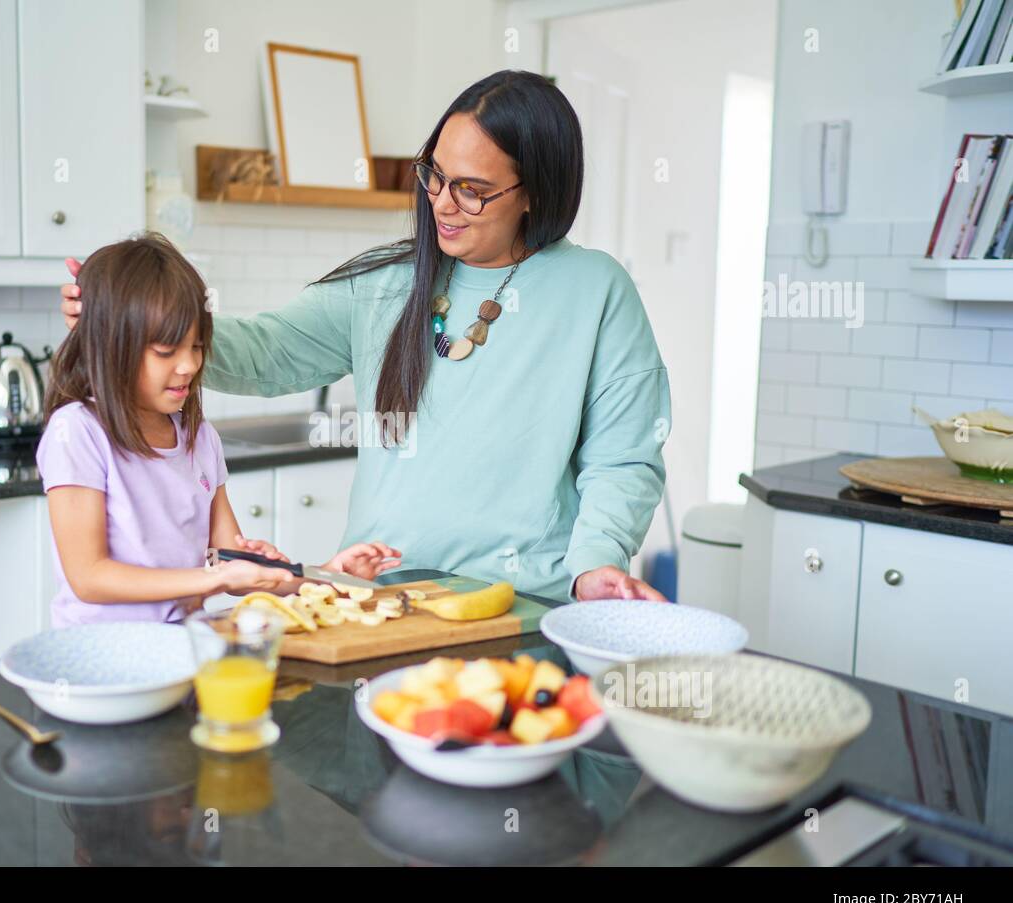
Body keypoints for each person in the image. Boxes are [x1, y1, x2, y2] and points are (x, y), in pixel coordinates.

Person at [61, 70, 670, 604]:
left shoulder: (597, 290)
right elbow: (266, 350)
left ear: (535, 191)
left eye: (473, 190)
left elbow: (623, 458)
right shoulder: (385, 283)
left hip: (524, 604)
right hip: (378, 597)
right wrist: (137, 326)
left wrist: (595, 564)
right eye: (434, 175)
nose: (442, 203)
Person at [36, 235, 401, 628]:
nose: (189, 366)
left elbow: (222, 558)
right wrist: (219, 576)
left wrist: (325, 575)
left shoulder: (199, 438)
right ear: (111, 344)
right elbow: (89, 577)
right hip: (99, 660)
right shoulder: (77, 431)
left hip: (181, 647)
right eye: (165, 352)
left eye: (196, 347)